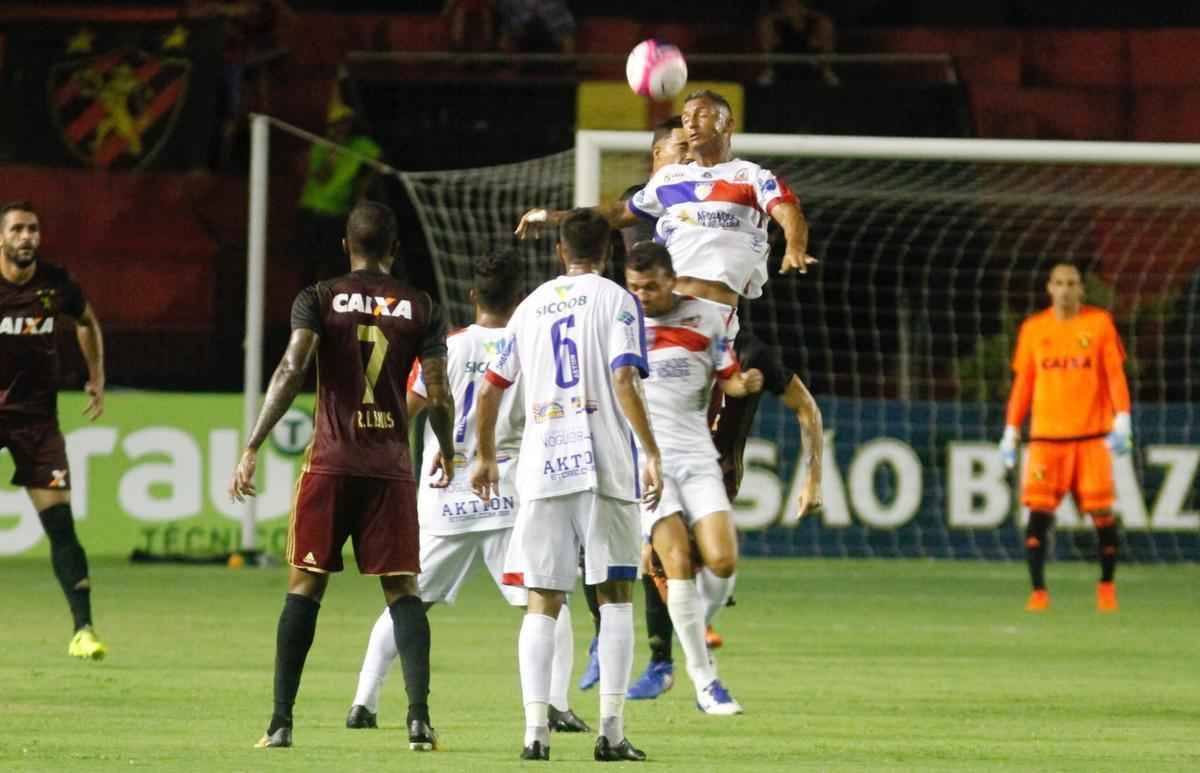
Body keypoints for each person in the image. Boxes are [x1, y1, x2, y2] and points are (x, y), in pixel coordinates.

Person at [229, 201, 455, 750]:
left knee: (306, 586)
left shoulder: (319, 297)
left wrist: (254, 443)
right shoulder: (422, 306)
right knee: (403, 591)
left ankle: (280, 723)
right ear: (395, 248)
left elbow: (292, 367)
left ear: (345, 245)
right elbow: (439, 391)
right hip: (390, 470)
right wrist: (447, 448)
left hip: (331, 464)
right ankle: (419, 720)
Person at [344, 252, 589, 735]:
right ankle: (556, 705)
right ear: (520, 297)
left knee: (408, 599)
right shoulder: (530, 344)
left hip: (445, 491)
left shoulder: (448, 347)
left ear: (473, 295)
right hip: (506, 489)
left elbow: (404, 411)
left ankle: (363, 701)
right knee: (548, 597)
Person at [470, 208, 662, 762]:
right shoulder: (618, 300)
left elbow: (489, 390)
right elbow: (623, 377)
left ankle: (535, 733)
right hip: (603, 464)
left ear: (560, 251)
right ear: (611, 252)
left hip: (542, 465)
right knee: (615, 595)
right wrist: (651, 451)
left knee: (542, 600)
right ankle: (611, 732)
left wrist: (485, 456)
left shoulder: (529, 307)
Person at [623, 242, 825, 703]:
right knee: (661, 559)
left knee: (717, 563)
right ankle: (667, 664)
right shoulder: (630, 330)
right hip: (655, 465)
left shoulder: (746, 348)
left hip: (713, 470)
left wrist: (813, 479)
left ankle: (696, 624)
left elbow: (805, 407)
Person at [578, 115, 690, 693]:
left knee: (655, 525)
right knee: (595, 523)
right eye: (679, 149)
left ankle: (660, 657)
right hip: (619, 363)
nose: (688, 158)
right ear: (655, 156)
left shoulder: (702, 203)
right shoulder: (636, 204)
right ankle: (605, 636)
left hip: (675, 373)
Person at [0, 200, 106, 660]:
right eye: (17, 229)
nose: (27, 237)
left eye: (33, 229)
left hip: (36, 420)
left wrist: (96, 376)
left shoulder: (56, 283)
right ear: (1, 238)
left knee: (60, 523)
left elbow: (87, 322)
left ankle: (84, 630)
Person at [999, 262, 1132, 613]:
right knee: (1038, 513)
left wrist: (1123, 418)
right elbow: (1023, 384)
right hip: (1046, 439)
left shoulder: (1099, 323)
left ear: (1081, 289)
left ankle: (1106, 587)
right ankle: (1038, 593)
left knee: (1102, 513)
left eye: (1072, 283)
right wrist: (1011, 429)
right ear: (1049, 287)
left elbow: (1114, 375)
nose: (1065, 290)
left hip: (1091, 437)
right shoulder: (1033, 329)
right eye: (1059, 283)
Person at [296, 101, 382, 285]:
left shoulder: (360, 145)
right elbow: (322, 177)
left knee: (334, 266)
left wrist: (363, 186)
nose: (341, 128)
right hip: (312, 211)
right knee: (309, 266)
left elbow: (379, 161)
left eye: (345, 123)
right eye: (336, 124)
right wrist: (332, 153)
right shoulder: (320, 147)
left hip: (338, 214)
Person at [756, 0, 839, 86]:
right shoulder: (777, 14)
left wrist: (800, 13)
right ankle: (770, 68)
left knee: (826, 24)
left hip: (808, 40)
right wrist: (787, 13)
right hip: (783, 39)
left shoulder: (811, 15)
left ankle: (826, 69)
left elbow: (815, 13)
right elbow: (775, 12)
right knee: (765, 24)